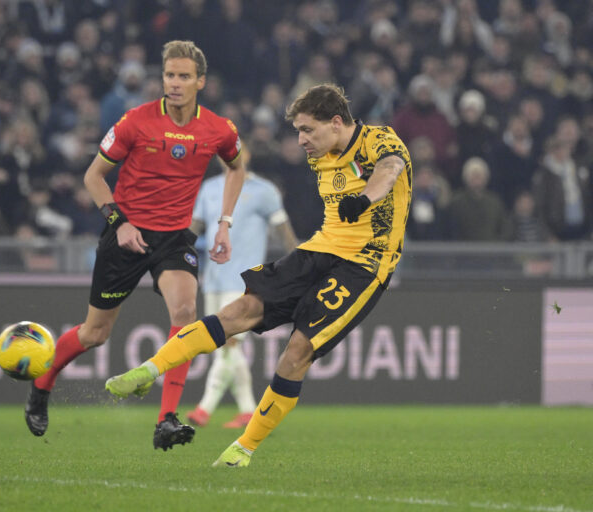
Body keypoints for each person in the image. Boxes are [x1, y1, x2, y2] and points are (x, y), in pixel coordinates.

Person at [106, 83, 412, 467]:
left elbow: (390, 169)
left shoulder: (379, 140)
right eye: (297, 131)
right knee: (240, 311)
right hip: (319, 250)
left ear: (336, 122)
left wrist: (365, 198)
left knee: (297, 352)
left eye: (307, 130)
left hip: (365, 264)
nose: (300, 140)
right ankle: (148, 370)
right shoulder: (320, 157)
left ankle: (242, 449)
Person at [24, 40, 247, 451]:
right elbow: (93, 177)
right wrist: (119, 222)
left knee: (185, 312)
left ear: (201, 81)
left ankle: (166, 419)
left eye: (183, 76)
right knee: (95, 333)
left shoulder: (218, 129)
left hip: (174, 237)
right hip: (126, 232)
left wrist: (224, 224)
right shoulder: (136, 122)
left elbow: (236, 166)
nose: (174, 83)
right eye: (168, 75)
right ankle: (42, 385)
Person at [186, 149, 298, 429]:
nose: (229, 157)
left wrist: (298, 269)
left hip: (245, 281)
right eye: (223, 153)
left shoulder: (264, 190)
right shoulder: (209, 189)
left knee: (229, 342)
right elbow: (196, 227)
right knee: (222, 348)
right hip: (212, 279)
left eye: (236, 150)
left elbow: (284, 232)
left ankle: (204, 408)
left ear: (246, 154)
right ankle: (249, 410)